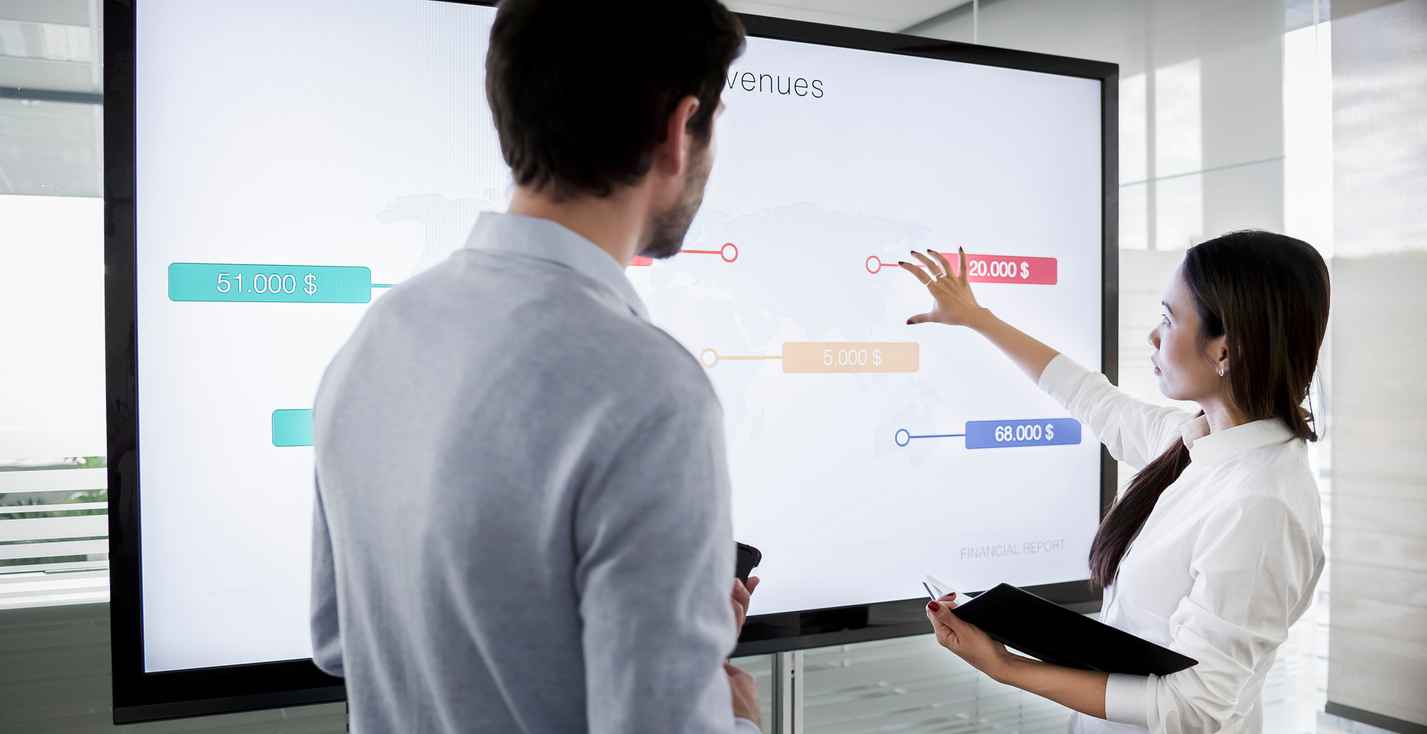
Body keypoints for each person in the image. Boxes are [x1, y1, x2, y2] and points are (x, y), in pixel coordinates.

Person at [309, 2, 761, 732]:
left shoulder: (378, 335)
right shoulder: (649, 387)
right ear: (679, 131)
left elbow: (339, 643)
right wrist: (724, 709)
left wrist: (667, 642)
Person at [897, 231, 1330, 733]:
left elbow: (1195, 707)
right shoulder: (1195, 442)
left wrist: (1007, 667)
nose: (1153, 336)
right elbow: (1091, 397)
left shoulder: (1261, 506)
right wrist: (977, 318)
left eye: (1168, 320)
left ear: (1224, 350)